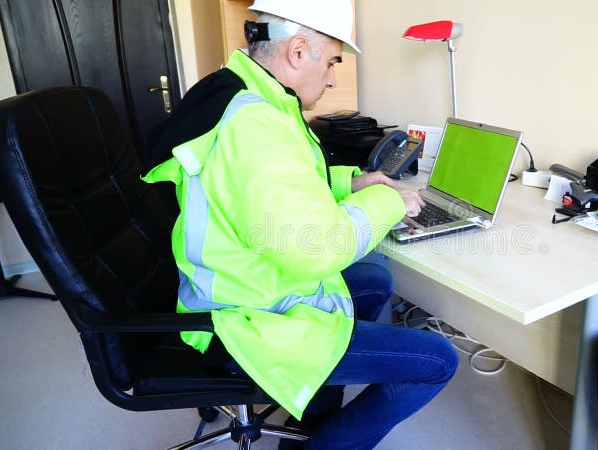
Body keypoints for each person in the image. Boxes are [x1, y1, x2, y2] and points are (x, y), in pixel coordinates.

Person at [141, 0, 458, 448]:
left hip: (241, 286)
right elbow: (315, 248)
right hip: (244, 321)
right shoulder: (256, 124)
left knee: (373, 279)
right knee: (439, 361)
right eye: (331, 62)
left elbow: (277, 187)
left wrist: (354, 182)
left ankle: (310, 417)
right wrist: (388, 201)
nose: (332, 78)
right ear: (297, 51)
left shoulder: (242, 94)